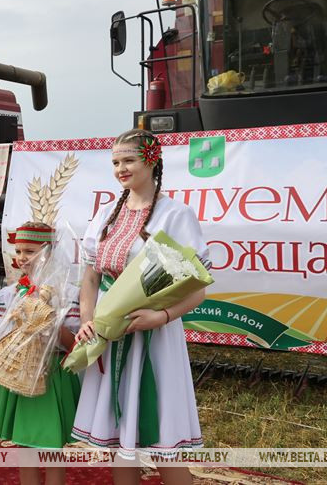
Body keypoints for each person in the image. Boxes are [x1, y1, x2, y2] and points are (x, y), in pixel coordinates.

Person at [71, 130, 210, 485]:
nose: (121, 168)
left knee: (162, 438)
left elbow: (197, 289)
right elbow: (90, 277)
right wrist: (87, 321)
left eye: (129, 160)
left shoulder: (175, 214)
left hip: (155, 337)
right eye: (116, 162)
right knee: (120, 442)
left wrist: (159, 316)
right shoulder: (107, 213)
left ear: (151, 160)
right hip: (110, 332)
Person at [0, 222, 80, 485]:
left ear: (49, 251)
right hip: (19, 374)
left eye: (30, 251)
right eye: (18, 251)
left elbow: (74, 343)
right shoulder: (9, 294)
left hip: (52, 374)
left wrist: (51, 324)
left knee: (53, 446)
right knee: (24, 445)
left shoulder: (69, 294)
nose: (22, 257)